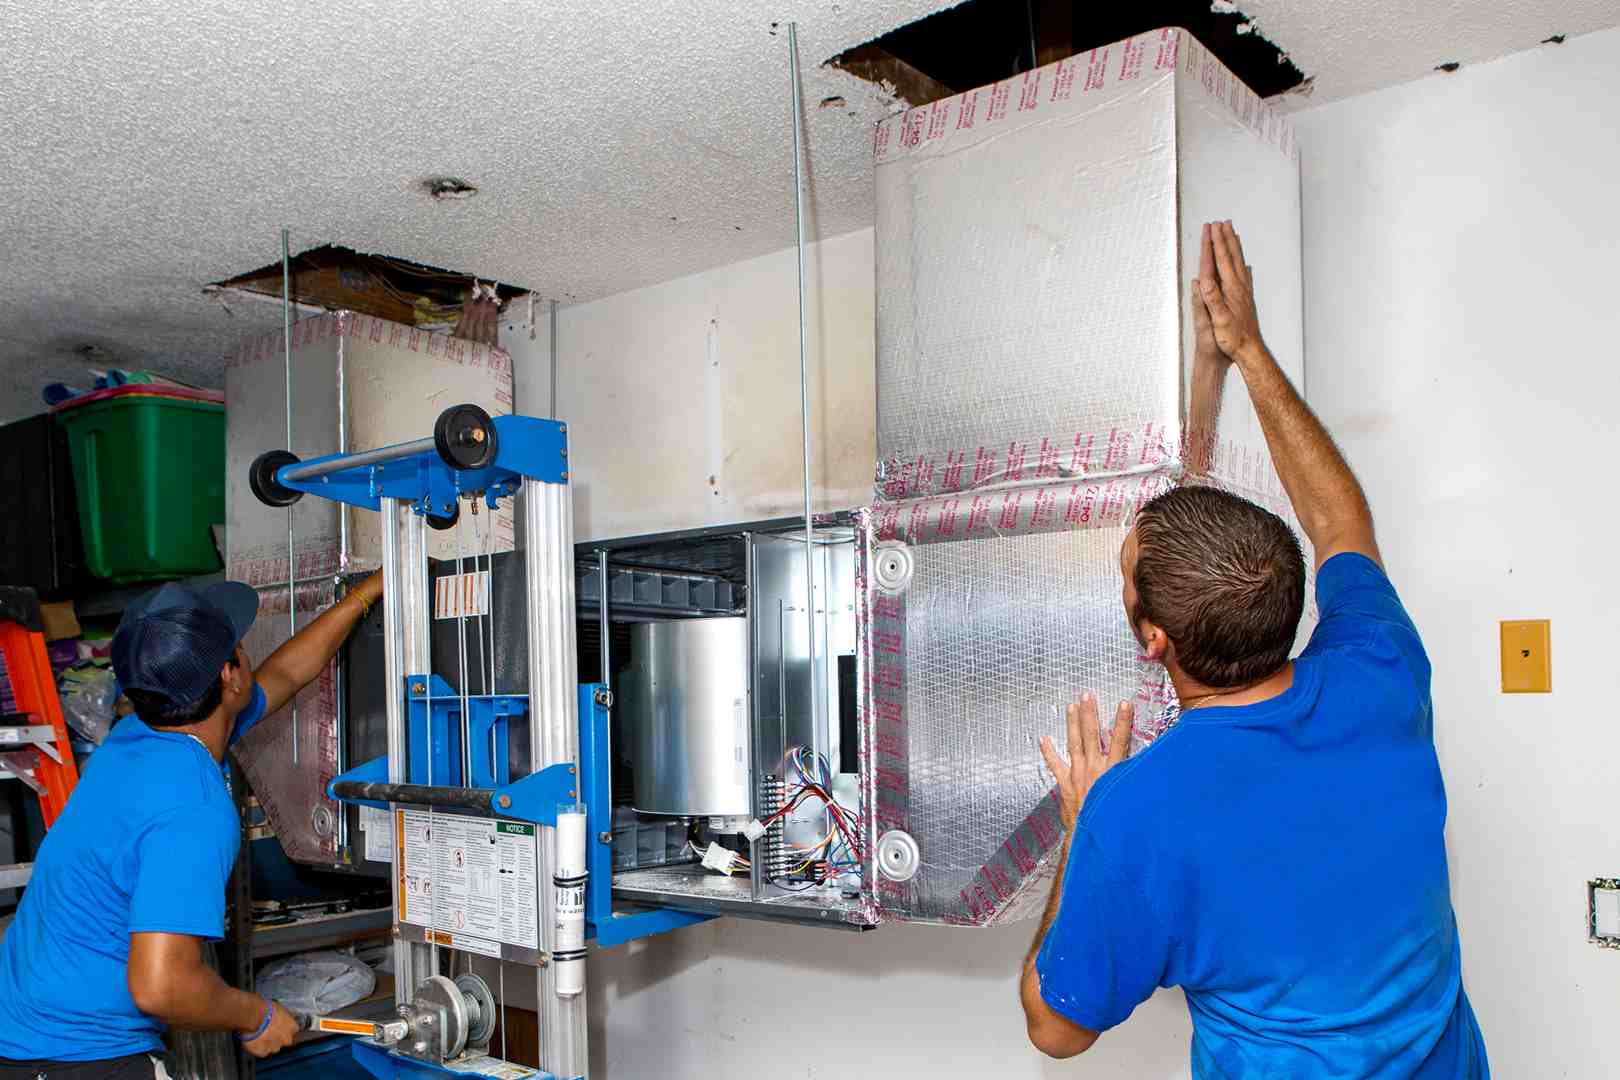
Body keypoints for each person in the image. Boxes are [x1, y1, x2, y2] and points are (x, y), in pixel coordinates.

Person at [1019, 221, 1488, 1077]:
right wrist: (1243, 350)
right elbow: (1340, 517)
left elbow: (1056, 1028)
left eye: (1126, 575)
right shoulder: (1377, 670)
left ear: (1154, 640)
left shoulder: (1135, 811)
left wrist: (1087, 831)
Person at [0, 570, 384, 1078]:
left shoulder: (140, 734)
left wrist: (365, 595)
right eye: (239, 647)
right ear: (229, 676)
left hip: (22, 1033)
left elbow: (286, 675)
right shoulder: (193, 808)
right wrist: (257, 1014)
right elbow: (160, 985)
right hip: (80, 1059)